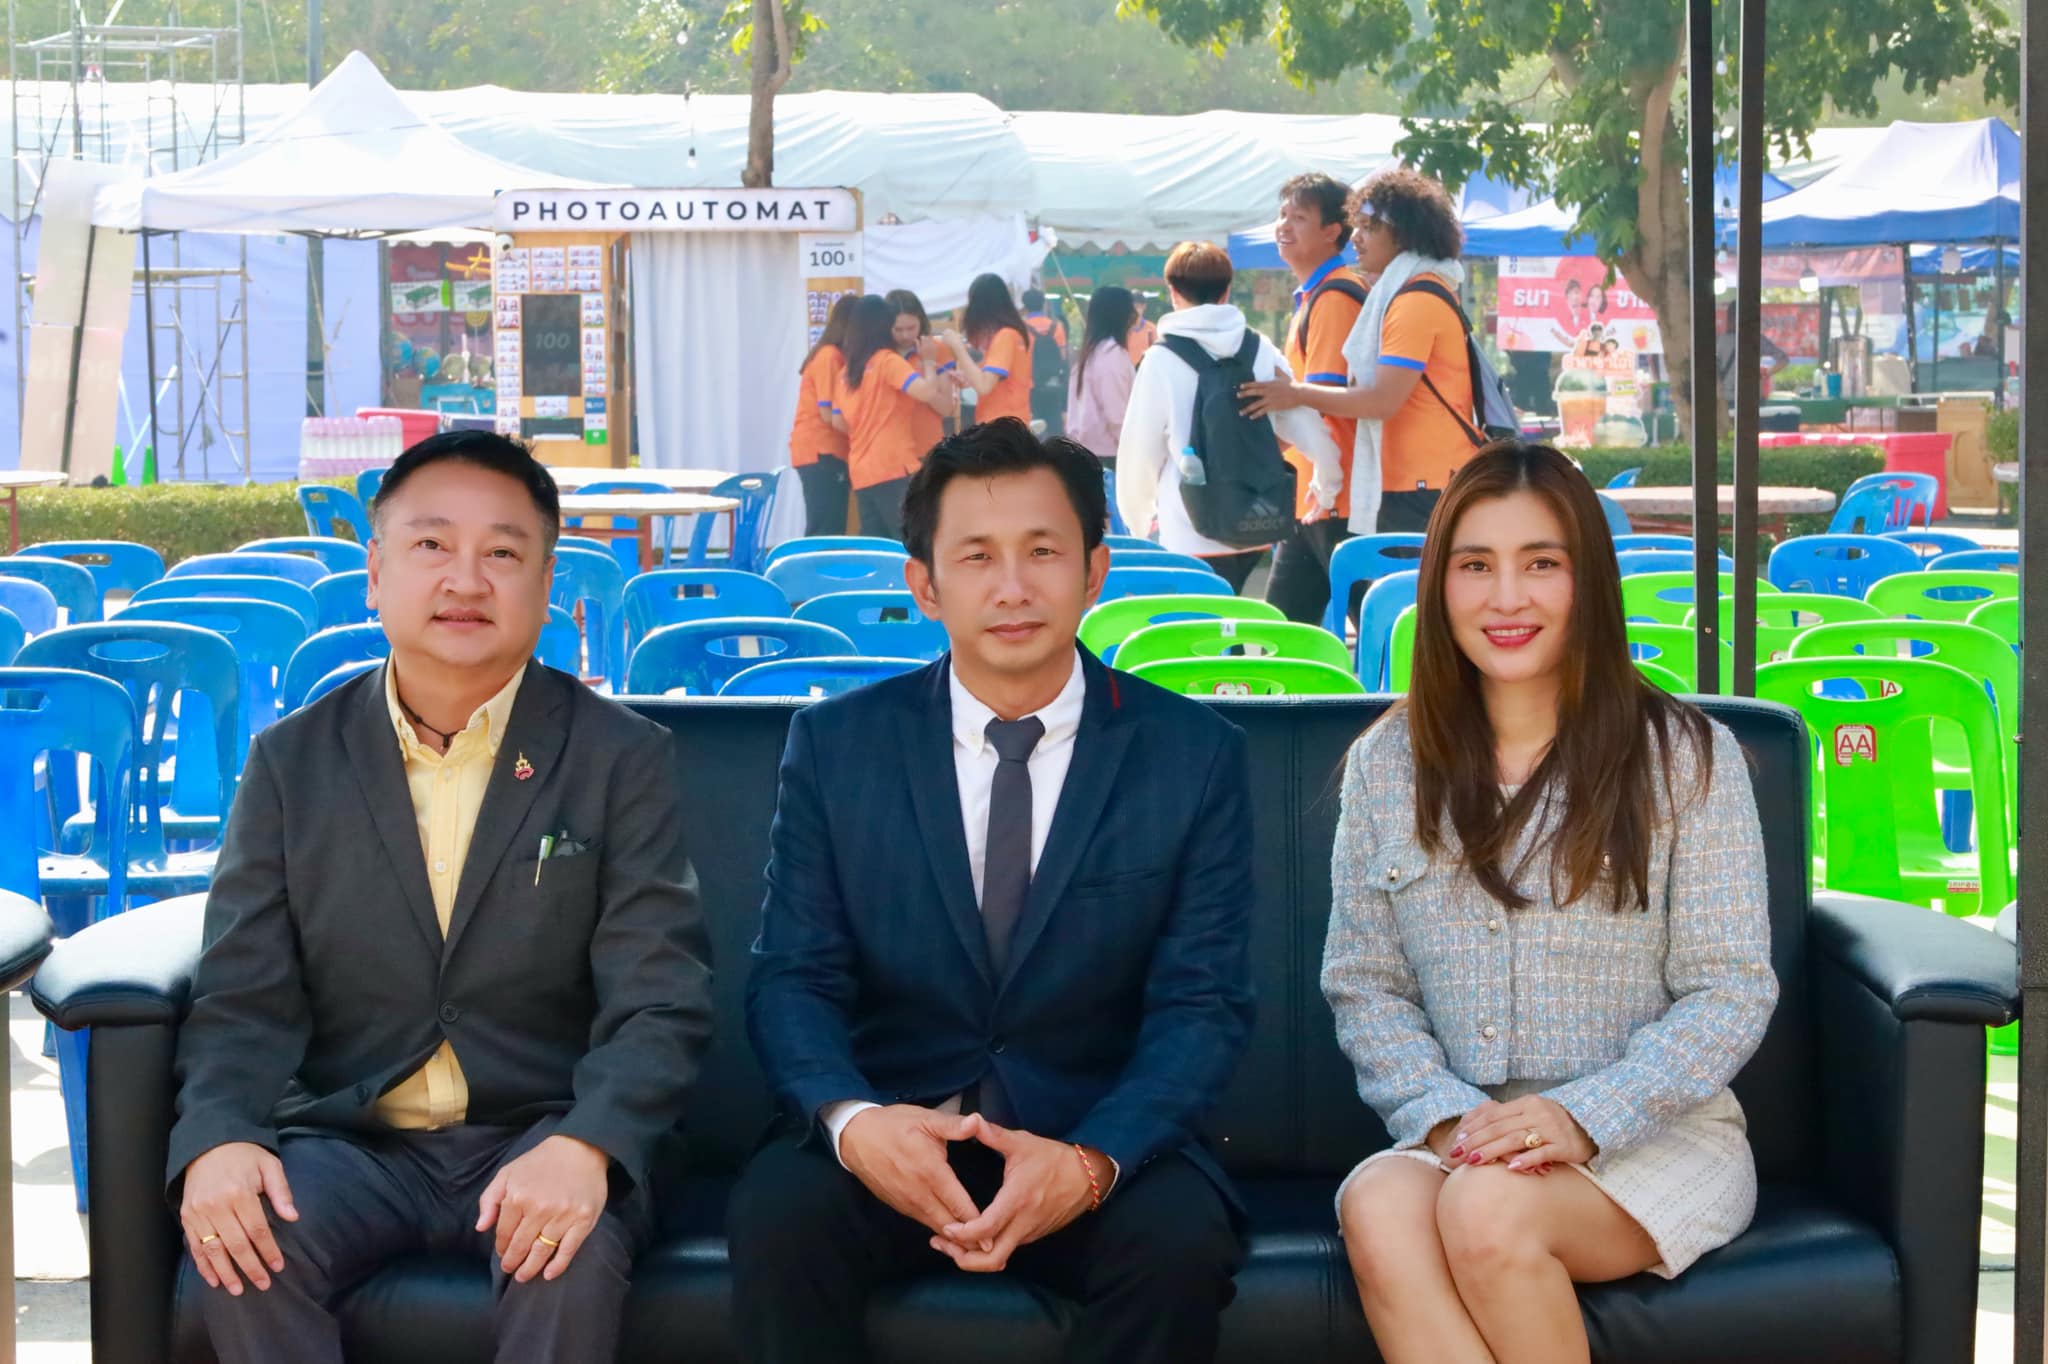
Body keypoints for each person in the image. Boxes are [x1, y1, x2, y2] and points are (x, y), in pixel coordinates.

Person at [170, 431, 715, 1364]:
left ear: (545, 585)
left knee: (566, 1255)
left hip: (542, 1129)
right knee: (247, 1246)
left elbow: (660, 996)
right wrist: (219, 1136)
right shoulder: (292, 762)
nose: (466, 580)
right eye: (431, 545)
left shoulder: (620, 757)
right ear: (375, 573)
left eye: (502, 552)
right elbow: (241, 995)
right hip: (355, 1143)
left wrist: (589, 1143)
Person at [729, 417, 1255, 1363]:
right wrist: (856, 1125)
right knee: (780, 1216)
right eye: (976, 556)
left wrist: (1092, 1161)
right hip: (896, 1129)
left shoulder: (1193, 755)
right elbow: (793, 977)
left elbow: (1203, 1003)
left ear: (1095, 572)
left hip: (1094, 1139)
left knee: (1177, 1244)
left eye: (1043, 551)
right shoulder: (839, 746)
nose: (1013, 587)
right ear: (924, 584)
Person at [1321, 439, 1778, 1364]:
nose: (1506, 598)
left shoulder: (1687, 756)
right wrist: (1445, 1118)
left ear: (1588, 581)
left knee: (1487, 1211)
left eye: (1541, 564)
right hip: (1466, 1135)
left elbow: (1731, 989)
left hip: (1655, 1136)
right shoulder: (1385, 765)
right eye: (1475, 566)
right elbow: (1365, 985)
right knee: (1378, 1202)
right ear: (1439, 587)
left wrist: (1584, 1117)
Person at [1239, 166, 1478, 534]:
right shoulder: (1404, 295)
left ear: (1402, 233)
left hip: (1422, 487)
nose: (1356, 237)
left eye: (1368, 227)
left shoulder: (1415, 301)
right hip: (1406, 485)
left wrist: (1294, 394)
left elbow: (1381, 401)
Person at [1116, 240, 1343, 593]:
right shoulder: (1259, 348)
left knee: (1200, 621)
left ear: (1173, 293)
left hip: (1189, 526)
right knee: (1237, 611)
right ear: (1226, 292)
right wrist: (1326, 485)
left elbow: (1141, 450)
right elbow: (1303, 420)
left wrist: (1138, 522)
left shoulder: (1161, 358)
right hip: (1256, 521)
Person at [1263, 171, 1372, 625]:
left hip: (1336, 496)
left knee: (1374, 627)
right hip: (1315, 498)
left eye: (1300, 217)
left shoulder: (1334, 297)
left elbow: (1321, 400)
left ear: (1333, 231)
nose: (1284, 226)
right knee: (1282, 632)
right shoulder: (1315, 296)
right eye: (1282, 215)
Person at [841, 294, 956, 541]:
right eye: (897, 328)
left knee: (876, 542)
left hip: (866, 468)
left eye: (910, 328)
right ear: (885, 326)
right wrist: (928, 364)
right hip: (894, 463)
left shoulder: (850, 369)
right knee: (909, 540)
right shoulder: (887, 360)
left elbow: (839, 420)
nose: (904, 335)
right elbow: (926, 391)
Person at [791, 293, 857, 534]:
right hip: (821, 450)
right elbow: (828, 413)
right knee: (825, 527)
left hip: (825, 451)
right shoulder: (830, 356)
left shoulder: (831, 355)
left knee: (829, 524)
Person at [943, 273, 1037, 428]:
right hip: (1014, 420)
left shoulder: (1004, 337)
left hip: (1000, 423)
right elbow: (995, 377)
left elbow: (984, 386)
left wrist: (958, 347)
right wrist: (968, 377)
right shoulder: (1017, 334)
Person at [1063, 285, 1138, 464]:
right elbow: (1116, 416)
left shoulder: (1090, 352)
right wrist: (1137, 451)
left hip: (1085, 449)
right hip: (1109, 453)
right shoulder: (1112, 355)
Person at [1023, 286, 1072, 436]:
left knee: (1034, 428)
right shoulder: (1057, 327)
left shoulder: (1021, 329)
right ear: (1043, 304)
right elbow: (1063, 356)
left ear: (1024, 307)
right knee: (1055, 426)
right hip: (1054, 383)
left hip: (1031, 384)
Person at [1127, 294, 1157, 365]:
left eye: (1137, 307)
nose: (1134, 311)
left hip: (1145, 368)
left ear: (1144, 306)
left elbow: (1156, 352)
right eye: (1131, 308)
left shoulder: (1151, 328)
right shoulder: (1122, 329)